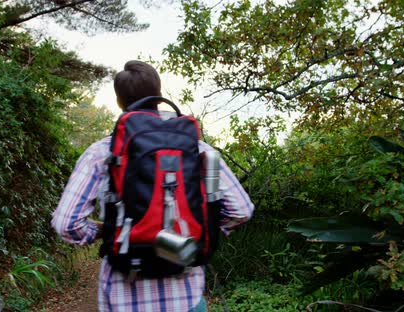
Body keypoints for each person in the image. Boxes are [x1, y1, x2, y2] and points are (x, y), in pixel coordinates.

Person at [51, 60, 254, 312]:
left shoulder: (103, 151)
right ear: (159, 96)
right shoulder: (197, 149)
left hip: (124, 296)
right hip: (186, 297)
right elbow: (241, 210)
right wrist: (201, 229)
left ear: (119, 102)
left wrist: (108, 230)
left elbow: (66, 224)